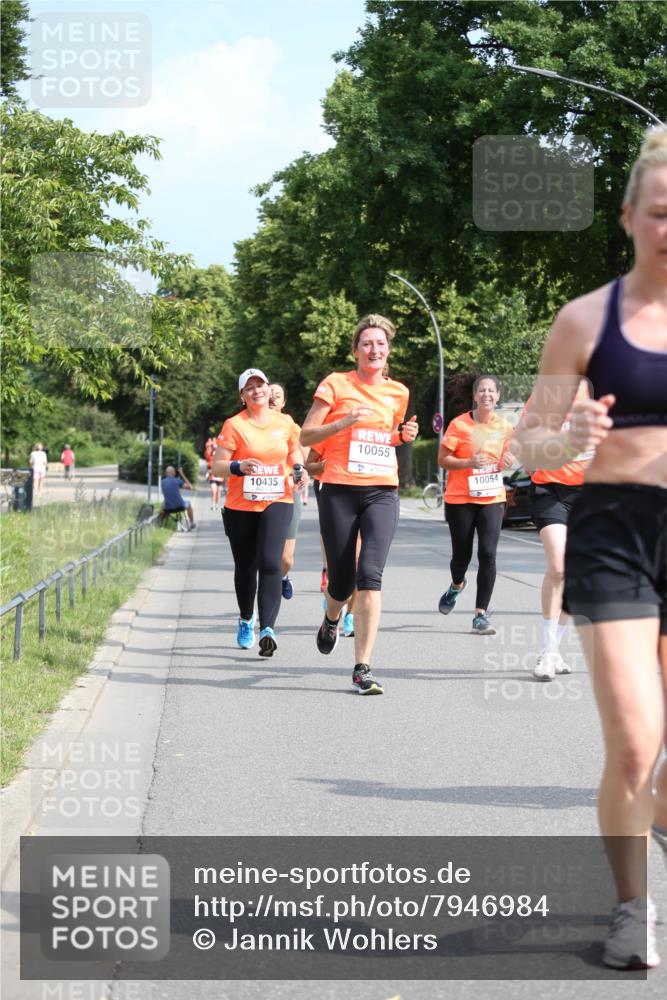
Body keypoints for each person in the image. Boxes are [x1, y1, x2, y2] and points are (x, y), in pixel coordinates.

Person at [513, 126, 667, 970]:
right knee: (635, 742)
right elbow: (526, 448)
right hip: (614, 532)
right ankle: (630, 908)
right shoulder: (584, 320)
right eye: (659, 212)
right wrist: (566, 431)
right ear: (628, 216)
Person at [300, 313, 418, 694]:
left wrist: (404, 436)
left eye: (381, 344)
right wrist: (342, 422)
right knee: (341, 578)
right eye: (367, 343)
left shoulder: (398, 392)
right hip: (338, 488)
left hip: (382, 489)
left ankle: (362, 666)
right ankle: (331, 618)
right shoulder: (335, 384)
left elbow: (387, 437)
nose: (374, 349)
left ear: (388, 352)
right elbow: (306, 433)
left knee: (370, 575)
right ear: (355, 350)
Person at [213, 368, 306, 657]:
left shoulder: (285, 422)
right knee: (246, 567)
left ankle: (268, 629)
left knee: (270, 562)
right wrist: (238, 466)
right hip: (241, 505)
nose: (257, 391)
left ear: (268, 389)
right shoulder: (234, 425)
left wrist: (300, 469)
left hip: (277, 499)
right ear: (242, 396)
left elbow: (295, 452)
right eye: (249, 388)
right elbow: (217, 466)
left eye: (261, 385)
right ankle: (245, 619)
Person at [437, 373, 514, 635]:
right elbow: (443, 459)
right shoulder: (459, 425)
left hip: (492, 497)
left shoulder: (505, 426)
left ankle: (480, 615)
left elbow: (505, 457)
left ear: (498, 396)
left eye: (491, 391)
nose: (487, 395)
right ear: (474, 395)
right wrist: (469, 463)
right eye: (482, 390)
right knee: (461, 556)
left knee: (488, 554)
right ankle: (457, 585)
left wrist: (506, 461)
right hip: (461, 498)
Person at [268, 383, 307, 600]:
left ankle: (283, 577)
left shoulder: (291, 427)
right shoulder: (250, 425)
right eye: (270, 395)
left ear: (284, 402)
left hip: (287, 494)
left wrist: (305, 471)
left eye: (278, 396)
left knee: (286, 559)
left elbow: (307, 458)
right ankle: (262, 600)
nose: (273, 399)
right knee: (262, 557)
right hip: (258, 497)